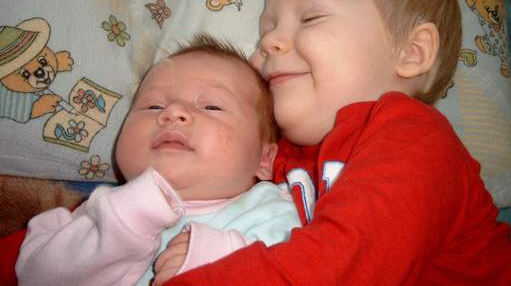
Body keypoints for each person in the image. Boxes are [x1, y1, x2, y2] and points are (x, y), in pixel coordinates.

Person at [156, 0, 511, 285]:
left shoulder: (417, 142)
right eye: (266, 30)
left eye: (310, 17)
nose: (268, 42)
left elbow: (342, 269)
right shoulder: (281, 155)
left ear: (411, 52)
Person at [15, 34, 301, 286]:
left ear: (264, 159)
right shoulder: (100, 211)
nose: (173, 112)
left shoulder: (272, 212)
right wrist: (124, 220)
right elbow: (34, 277)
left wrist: (217, 258)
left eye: (211, 106)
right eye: (154, 106)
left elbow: (301, 269)